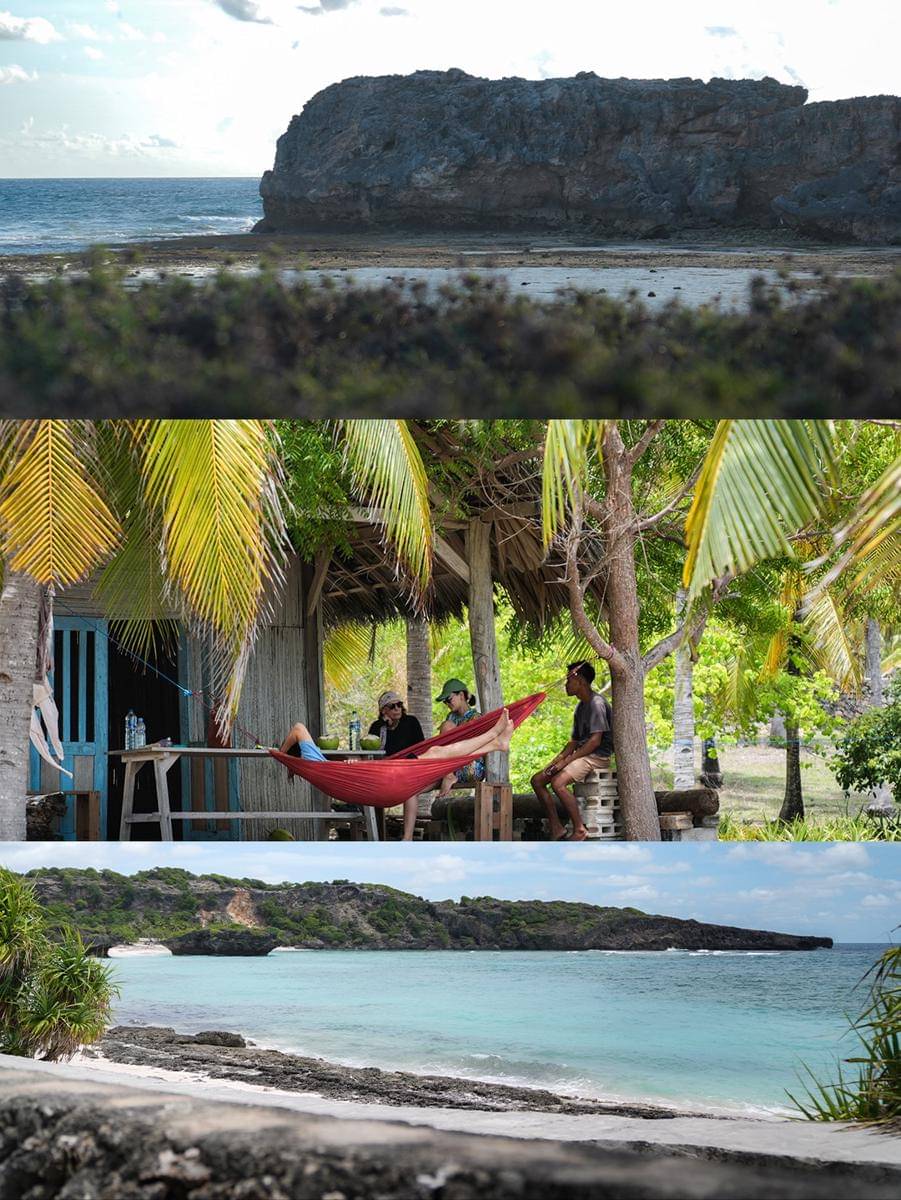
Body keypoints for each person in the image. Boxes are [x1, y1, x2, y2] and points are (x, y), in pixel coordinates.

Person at [278, 709, 515, 841]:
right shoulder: (311, 758)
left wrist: (287, 760)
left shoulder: (317, 765)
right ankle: (493, 737)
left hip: (386, 782)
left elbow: (337, 770)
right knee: (437, 752)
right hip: (390, 777)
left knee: (438, 752)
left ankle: (495, 743)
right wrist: (282, 752)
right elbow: (298, 728)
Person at [530, 660, 613, 841]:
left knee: (558, 783)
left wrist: (565, 762)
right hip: (582, 754)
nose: (566, 685)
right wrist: (556, 761)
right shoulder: (580, 706)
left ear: (581, 681)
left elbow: (594, 741)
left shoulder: (596, 704)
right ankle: (556, 827)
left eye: (569, 680)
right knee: (537, 780)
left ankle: (580, 829)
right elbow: (574, 742)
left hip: (596, 756)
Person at [434, 678, 485, 798]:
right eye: (444, 702)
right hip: (452, 765)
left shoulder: (476, 717)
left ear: (461, 695)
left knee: (446, 726)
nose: (447, 704)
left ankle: (448, 775)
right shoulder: (451, 717)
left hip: (471, 767)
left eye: (449, 699)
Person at [368, 690, 424, 756]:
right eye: (392, 706)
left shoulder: (411, 722)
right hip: (386, 763)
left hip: (409, 763)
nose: (396, 708)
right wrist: (383, 723)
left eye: (399, 705)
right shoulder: (377, 726)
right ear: (383, 710)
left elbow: (421, 746)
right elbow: (370, 750)